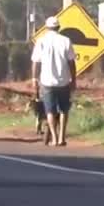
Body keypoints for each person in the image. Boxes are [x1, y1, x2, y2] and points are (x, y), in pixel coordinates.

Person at [31, 16, 77, 147]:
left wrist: (34, 79)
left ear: (46, 28)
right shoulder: (66, 41)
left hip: (47, 81)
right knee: (64, 110)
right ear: (59, 27)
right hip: (63, 81)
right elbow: (71, 62)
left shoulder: (41, 41)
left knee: (49, 111)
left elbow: (35, 62)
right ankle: (62, 137)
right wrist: (74, 80)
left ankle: (55, 138)